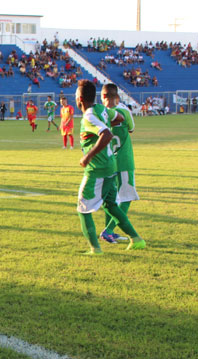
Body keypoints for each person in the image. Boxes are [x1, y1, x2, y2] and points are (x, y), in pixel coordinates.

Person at [75, 79, 145, 254]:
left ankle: (95, 249)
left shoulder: (89, 116)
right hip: (111, 167)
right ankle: (136, 239)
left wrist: (87, 157)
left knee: (83, 209)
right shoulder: (103, 110)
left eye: (76, 95)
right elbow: (119, 118)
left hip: (97, 169)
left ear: (80, 99)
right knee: (111, 205)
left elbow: (106, 134)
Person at [100, 83, 139, 244]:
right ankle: (108, 230)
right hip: (124, 161)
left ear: (102, 97)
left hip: (108, 162)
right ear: (117, 97)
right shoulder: (124, 111)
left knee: (111, 200)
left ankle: (110, 231)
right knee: (127, 198)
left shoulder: (101, 114)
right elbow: (131, 129)